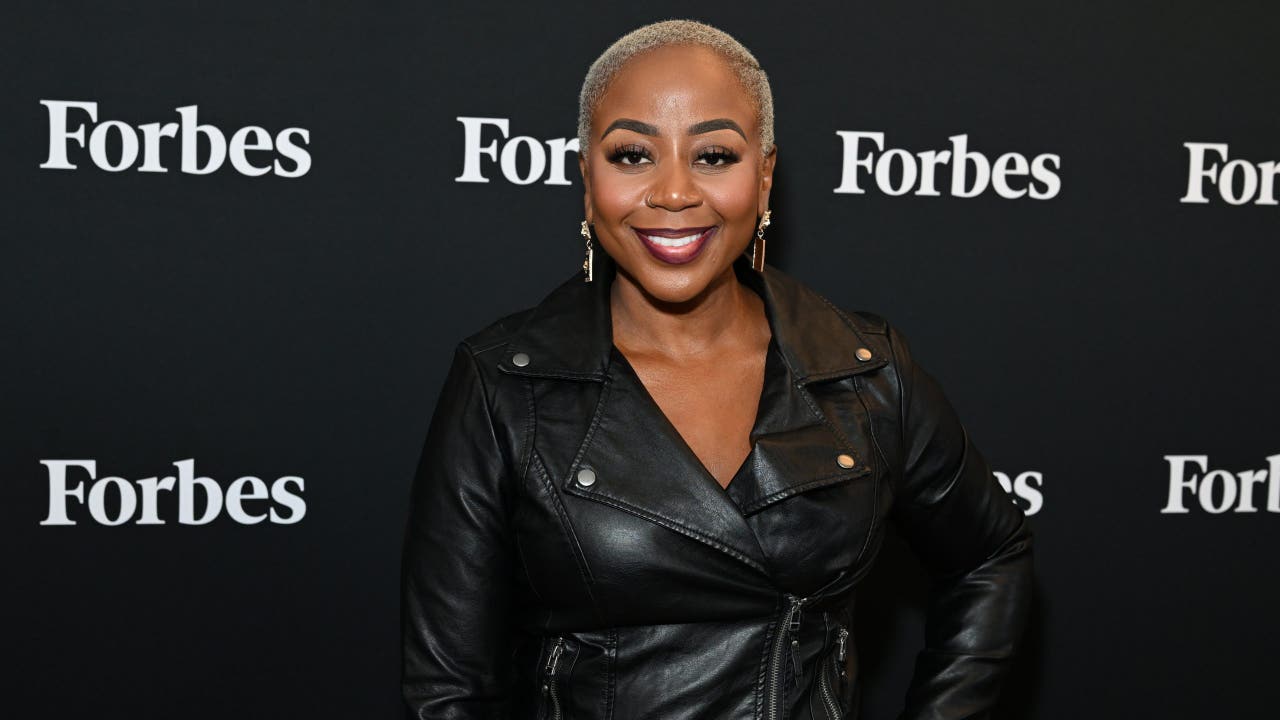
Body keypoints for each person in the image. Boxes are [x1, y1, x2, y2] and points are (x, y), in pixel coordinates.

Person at [402, 19, 1032, 720]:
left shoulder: (863, 369)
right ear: (586, 179)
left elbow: (991, 554)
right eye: (633, 154)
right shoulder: (505, 384)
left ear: (763, 177)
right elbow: (450, 691)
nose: (674, 193)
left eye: (714, 155)